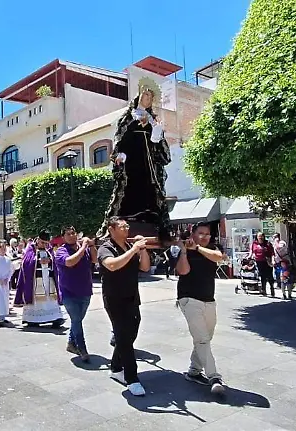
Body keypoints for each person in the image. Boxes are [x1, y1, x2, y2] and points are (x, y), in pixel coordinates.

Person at [97, 86, 172, 242]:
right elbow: (121, 137)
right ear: (139, 96)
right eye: (145, 94)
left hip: (149, 161)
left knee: (151, 188)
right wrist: (121, 154)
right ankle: (120, 222)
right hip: (132, 159)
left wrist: (156, 131)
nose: (148, 98)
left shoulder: (153, 118)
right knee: (128, 187)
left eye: (151, 97)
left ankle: (153, 222)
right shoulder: (129, 116)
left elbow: (156, 141)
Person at [98, 217, 151, 396]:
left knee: (131, 333)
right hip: (114, 299)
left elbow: (145, 267)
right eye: (122, 226)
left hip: (132, 296)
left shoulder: (130, 247)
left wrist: (141, 249)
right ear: (111, 229)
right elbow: (112, 265)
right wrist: (134, 249)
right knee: (123, 336)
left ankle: (115, 367)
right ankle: (132, 378)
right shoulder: (105, 248)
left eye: (127, 225)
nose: (127, 228)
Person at [174, 221, 226, 395]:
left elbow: (219, 257)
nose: (205, 237)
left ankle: (194, 371)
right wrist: (184, 251)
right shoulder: (184, 249)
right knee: (202, 338)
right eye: (201, 233)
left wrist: (197, 248)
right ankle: (214, 377)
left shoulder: (212, 248)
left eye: (207, 234)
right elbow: (183, 271)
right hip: (188, 299)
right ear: (193, 233)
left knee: (206, 337)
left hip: (208, 299)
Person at [55, 226, 97, 362]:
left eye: (73, 233)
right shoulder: (61, 251)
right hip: (69, 292)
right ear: (63, 237)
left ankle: (71, 343)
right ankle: (82, 348)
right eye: (68, 234)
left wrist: (91, 246)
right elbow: (70, 262)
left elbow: (95, 260)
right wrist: (83, 247)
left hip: (85, 290)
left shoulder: (82, 248)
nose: (72, 236)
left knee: (77, 320)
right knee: (77, 320)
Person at [13, 231, 64, 327]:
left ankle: (55, 317)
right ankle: (33, 319)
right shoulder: (31, 248)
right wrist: (37, 261)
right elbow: (25, 263)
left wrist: (50, 261)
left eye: (46, 243)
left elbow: (55, 261)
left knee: (51, 298)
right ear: (38, 239)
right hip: (35, 280)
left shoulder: (49, 249)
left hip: (48, 279)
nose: (44, 245)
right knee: (36, 299)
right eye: (43, 242)